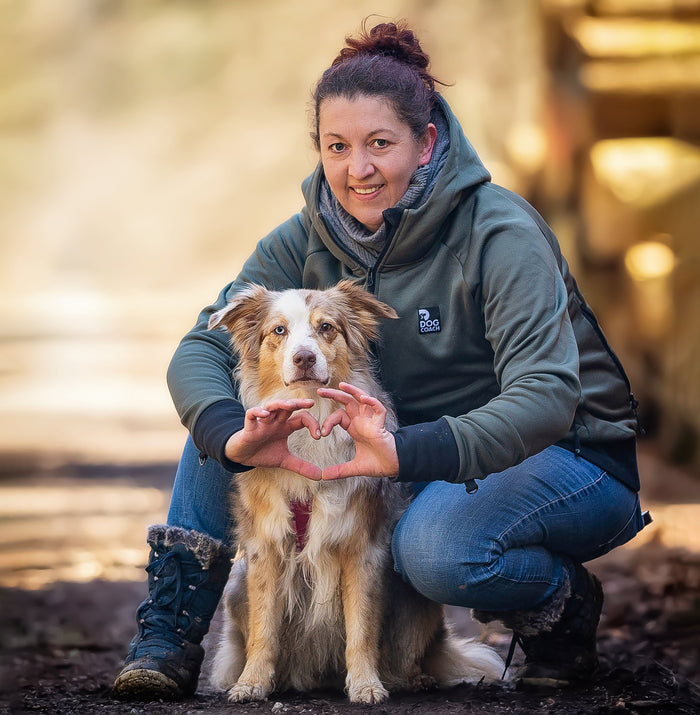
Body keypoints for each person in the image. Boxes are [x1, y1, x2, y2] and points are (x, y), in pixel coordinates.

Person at [112, 20, 647, 702]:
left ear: (426, 145)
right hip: (418, 459)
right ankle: (168, 633)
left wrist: (402, 451)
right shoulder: (306, 235)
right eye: (338, 147)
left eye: (379, 144)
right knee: (230, 425)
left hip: (564, 458)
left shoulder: (499, 232)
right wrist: (233, 432)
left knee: (434, 551)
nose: (357, 169)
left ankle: (557, 602)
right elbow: (201, 347)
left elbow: (546, 395)